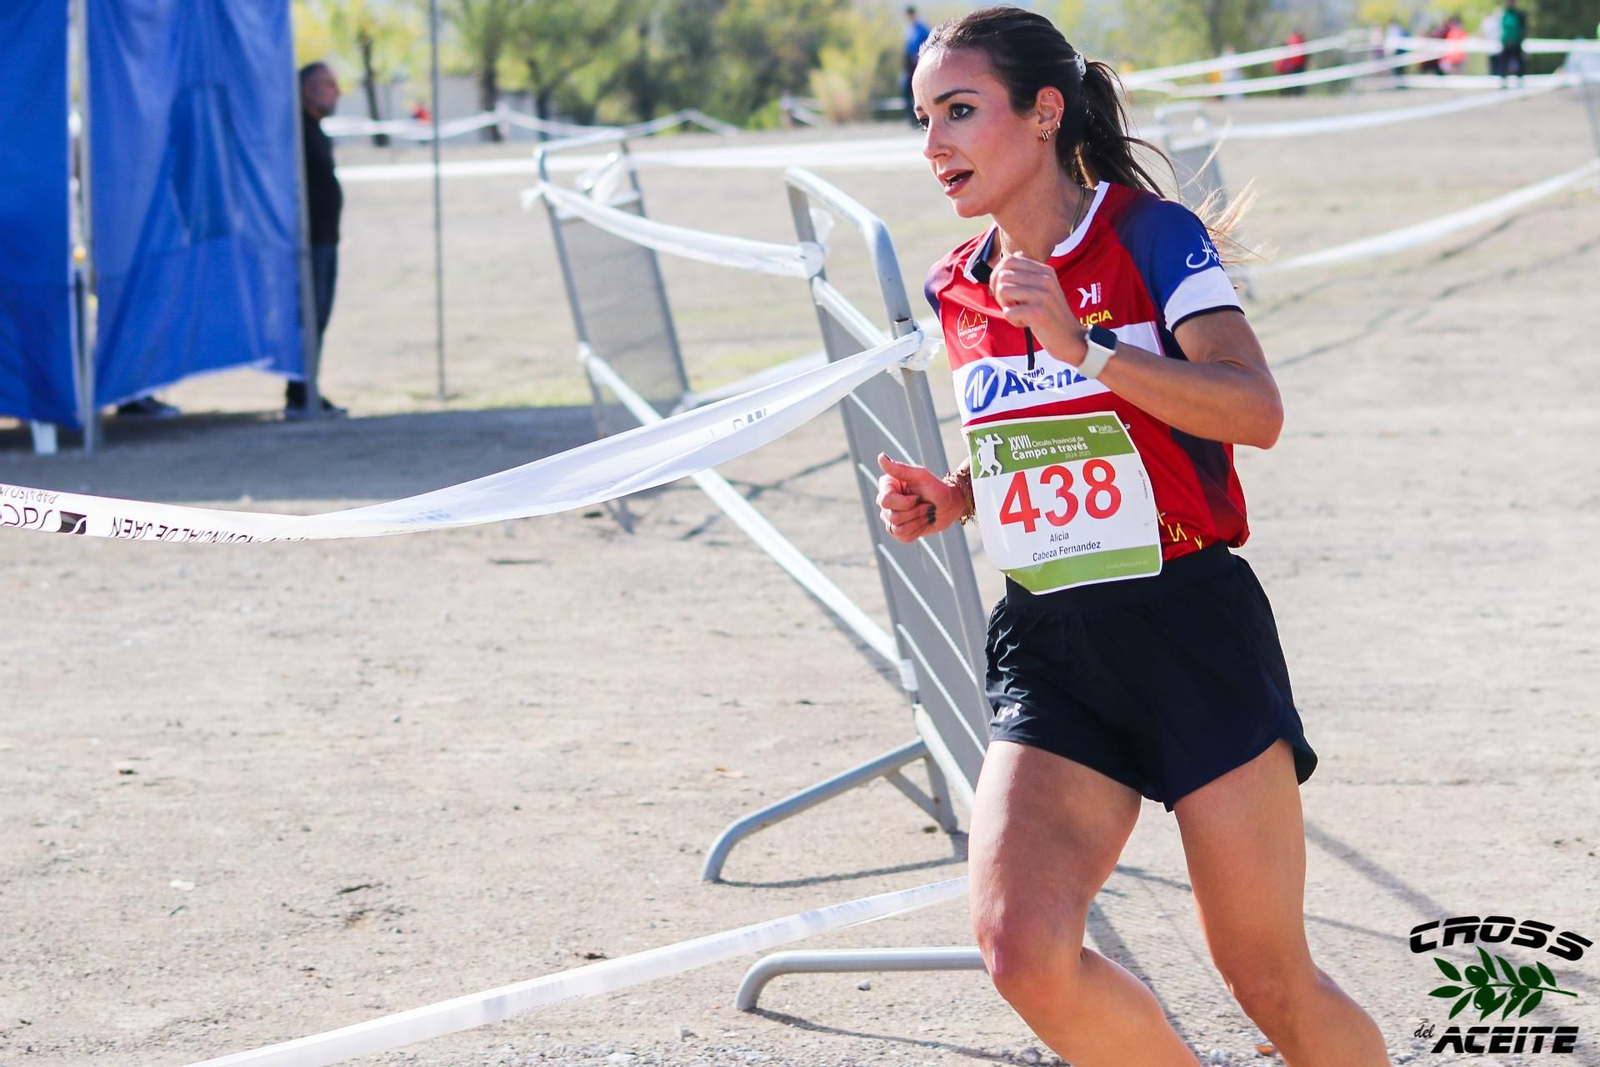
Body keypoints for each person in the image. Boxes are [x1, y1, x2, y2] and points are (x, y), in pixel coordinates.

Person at [878, 8, 1389, 1065]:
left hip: (1187, 624)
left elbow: (1254, 409)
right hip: (1052, 645)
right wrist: (960, 495)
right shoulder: (955, 283)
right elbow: (1047, 437)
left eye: (960, 112)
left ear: (1044, 110)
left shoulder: (1152, 236)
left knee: (1268, 981)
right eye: (923, 117)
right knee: (1021, 949)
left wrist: (1086, 341)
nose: (934, 145)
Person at [292, 62, 347, 418]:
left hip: (326, 238)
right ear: (307, 90)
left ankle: (307, 387)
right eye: (328, 85)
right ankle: (299, 393)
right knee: (309, 316)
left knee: (320, 317)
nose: (336, 92)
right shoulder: (297, 131)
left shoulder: (315, 130)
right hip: (309, 242)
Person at [902, 6, 932, 128]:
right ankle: (912, 118)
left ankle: (922, 117)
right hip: (910, 65)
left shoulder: (922, 29)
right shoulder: (910, 30)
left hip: (918, 64)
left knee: (918, 91)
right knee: (905, 89)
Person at [1499, 0, 1528, 86]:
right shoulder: (1503, 14)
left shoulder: (1519, 14)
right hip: (1506, 44)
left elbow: (1523, 29)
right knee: (1504, 65)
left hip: (1516, 44)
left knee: (1520, 65)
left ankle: (1520, 83)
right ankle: (1504, 83)